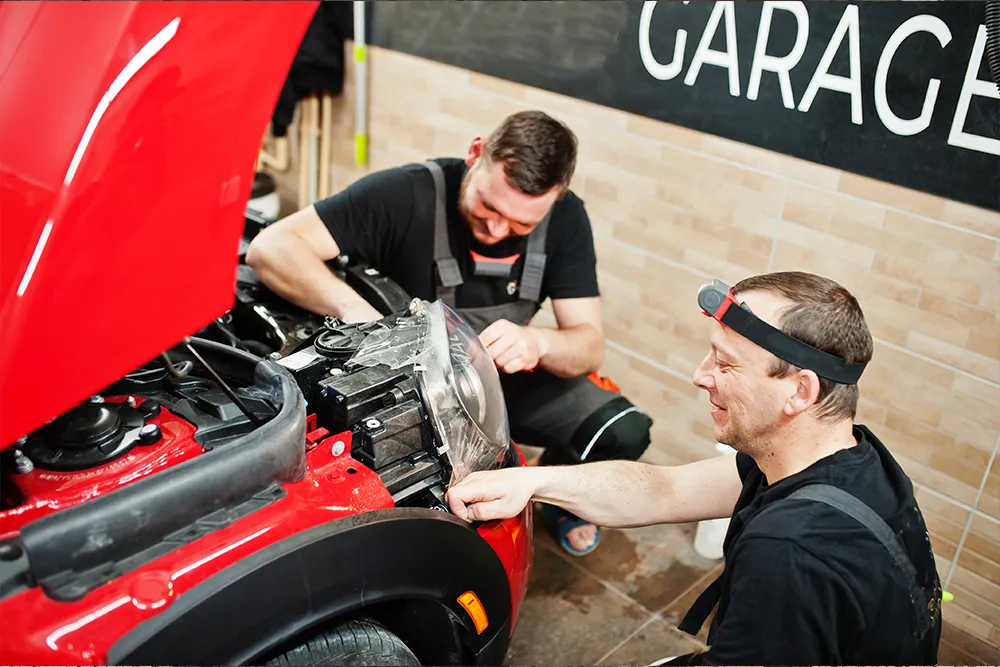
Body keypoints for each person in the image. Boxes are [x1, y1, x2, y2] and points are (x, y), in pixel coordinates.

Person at [445, 271, 943, 666]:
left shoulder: (792, 553)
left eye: (725, 364)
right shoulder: (847, 459)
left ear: (801, 391)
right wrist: (534, 480)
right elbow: (666, 490)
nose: (699, 376)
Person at [246, 109, 653, 556]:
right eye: (489, 206)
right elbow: (272, 248)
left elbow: (588, 345)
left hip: (500, 377)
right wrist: (358, 313)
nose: (498, 230)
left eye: (521, 224)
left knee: (622, 432)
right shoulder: (407, 194)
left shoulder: (567, 219)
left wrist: (540, 341)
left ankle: (556, 496)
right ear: (476, 154)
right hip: (413, 388)